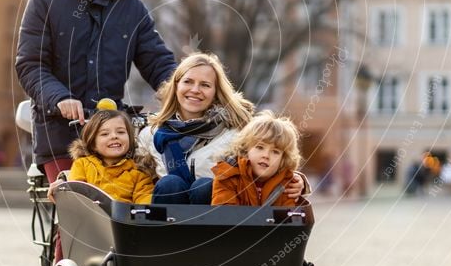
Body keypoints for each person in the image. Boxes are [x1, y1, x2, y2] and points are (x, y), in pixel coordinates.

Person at [16, 0, 176, 185]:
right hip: (61, 136)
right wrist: (59, 98)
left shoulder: (130, 8)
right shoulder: (45, 3)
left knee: (126, 204)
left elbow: (158, 62)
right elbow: (30, 65)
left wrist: (184, 92)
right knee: (74, 206)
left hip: (113, 135)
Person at [137, 52, 306, 204]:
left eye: (205, 85)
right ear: (176, 86)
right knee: (170, 183)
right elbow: (131, 177)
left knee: (204, 186)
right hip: (167, 220)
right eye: (188, 81)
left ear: (216, 91)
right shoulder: (150, 134)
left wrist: (297, 181)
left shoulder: (238, 131)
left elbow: (267, 158)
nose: (195, 90)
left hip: (215, 221)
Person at [211, 111, 304, 207]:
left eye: (275, 152)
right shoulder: (228, 175)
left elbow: (287, 218)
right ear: (246, 149)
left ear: (283, 160)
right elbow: (223, 215)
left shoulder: (287, 184)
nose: (266, 155)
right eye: (260, 147)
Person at [67, 110, 156, 204]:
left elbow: (144, 203)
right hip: (89, 216)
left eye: (121, 132)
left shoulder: (139, 172)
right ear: (93, 144)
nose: (114, 136)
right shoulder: (82, 165)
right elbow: (76, 194)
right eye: (105, 134)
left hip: (124, 217)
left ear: (130, 139)